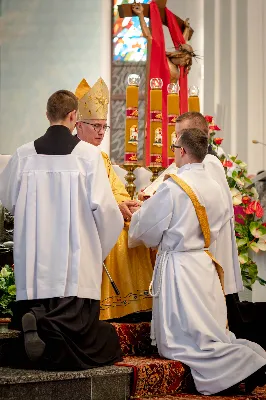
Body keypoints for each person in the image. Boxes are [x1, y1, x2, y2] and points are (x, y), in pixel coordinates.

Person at [128, 128, 266, 395]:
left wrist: (139, 214)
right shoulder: (215, 186)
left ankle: (246, 363)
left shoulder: (174, 187)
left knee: (184, 342)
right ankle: (250, 358)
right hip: (203, 265)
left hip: (180, 269)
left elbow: (146, 229)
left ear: (182, 151)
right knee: (209, 332)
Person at [0, 90, 124, 370]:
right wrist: (97, 250)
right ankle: (46, 323)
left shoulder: (23, 155)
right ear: (73, 117)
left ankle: (35, 317)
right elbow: (107, 212)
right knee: (103, 341)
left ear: (47, 116)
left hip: (34, 268)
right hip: (74, 270)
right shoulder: (88, 157)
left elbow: (8, 199)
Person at [75, 77, 153, 321]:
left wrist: (127, 203)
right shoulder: (73, 156)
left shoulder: (102, 157)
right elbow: (84, 200)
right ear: (78, 125)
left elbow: (116, 189)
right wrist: (115, 208)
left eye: (104, 126)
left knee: (136, 228)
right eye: (95, 126)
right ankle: (113, 308)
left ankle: (137, 309)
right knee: (119, 234)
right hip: (89, 224)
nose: (100, 132)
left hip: (109, 215)